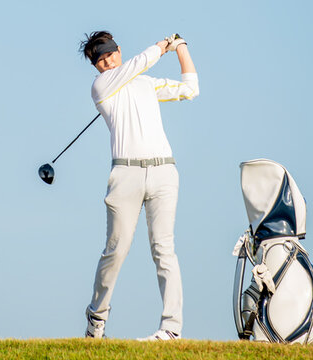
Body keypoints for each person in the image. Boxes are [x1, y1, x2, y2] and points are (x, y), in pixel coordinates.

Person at [79, 31, 198, 341]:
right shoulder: (101, 86)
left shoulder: (145, 83)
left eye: (109, 55)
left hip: (163, 172)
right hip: (125, 176)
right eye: (100, 60)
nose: (107, 62)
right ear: (96, 67)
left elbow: (190, 89)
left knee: (164, 250)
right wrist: (163, 45)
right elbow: (138, 63)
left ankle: (171, 329)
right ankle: (97, 319)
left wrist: (181, 47)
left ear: (118, 51)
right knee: (116, 250)